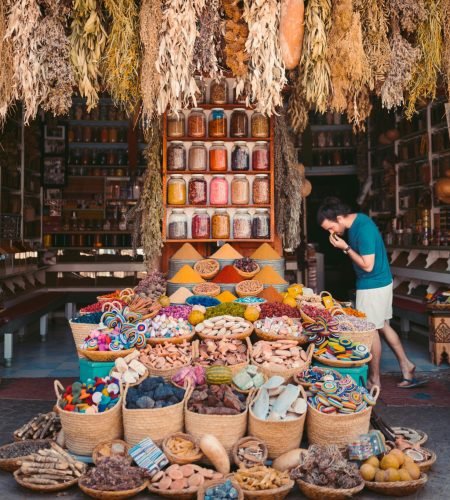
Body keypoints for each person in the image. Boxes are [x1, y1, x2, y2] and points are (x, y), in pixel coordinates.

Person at [317, 197, 424, 389]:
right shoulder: (358, 222)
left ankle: (375, 379)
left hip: (372, 284)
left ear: (340, 218)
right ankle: (407, 365)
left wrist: (345, 248)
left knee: (370, 330)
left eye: (331, 228)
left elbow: (367, 265)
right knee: (381, 325)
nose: (331, 233)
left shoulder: (363, 230)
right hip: (379, 281)